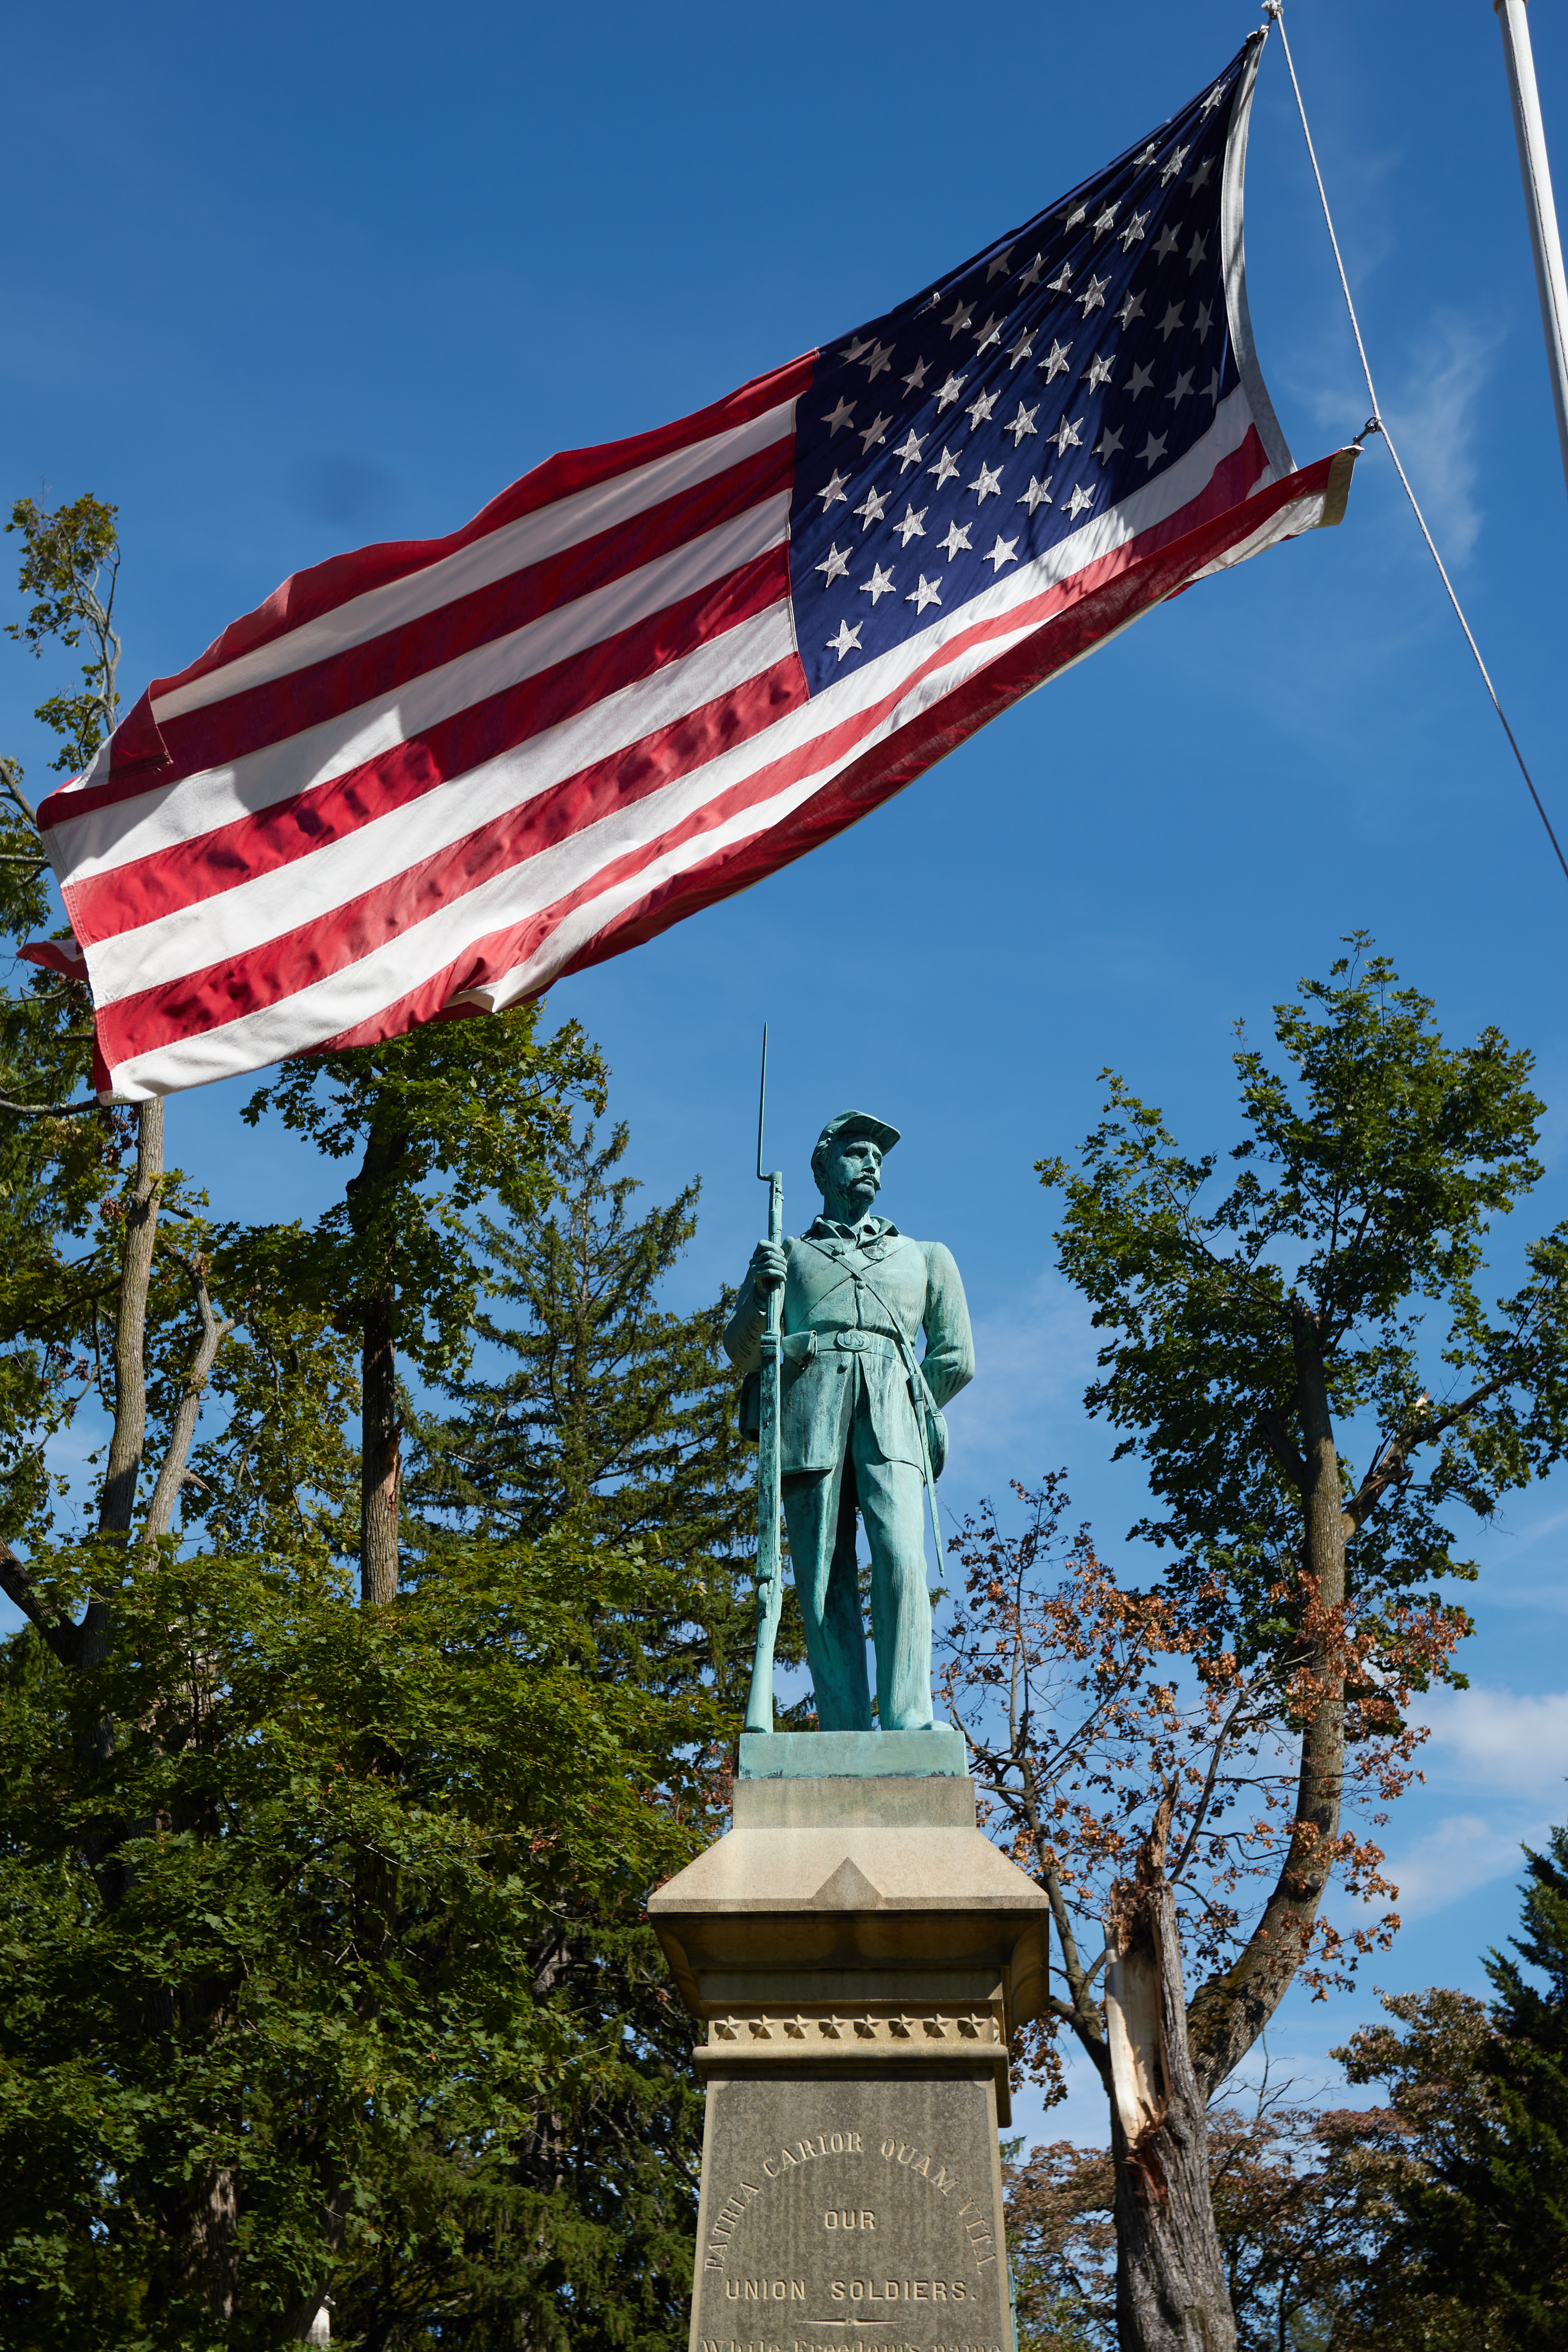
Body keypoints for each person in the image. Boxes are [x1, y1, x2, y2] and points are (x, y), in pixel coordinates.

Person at [723, 1110, 974, 1731]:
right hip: (809, 1416)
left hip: (894, 1416)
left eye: (877, 1157)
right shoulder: (784, 1252)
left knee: (900, 1561)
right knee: (820, 1576)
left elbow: (955, 1357)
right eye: (857, 1152)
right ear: (823, 1166)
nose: (871, 1164)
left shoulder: (926, 1257)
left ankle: (909, 1715)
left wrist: (912, 1403)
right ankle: (842, 1724)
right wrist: (760, 1295)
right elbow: (741, 1351)